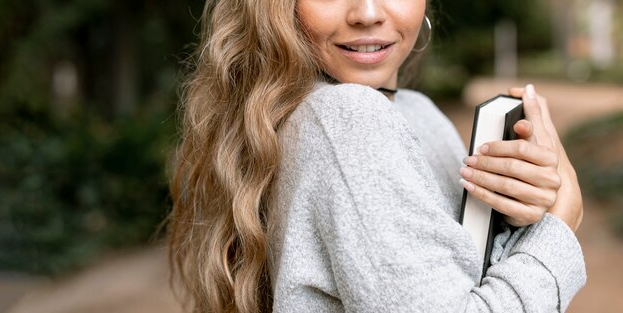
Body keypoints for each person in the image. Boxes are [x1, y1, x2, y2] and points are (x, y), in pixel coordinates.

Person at [167, 0, 586, 312]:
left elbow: (459, 280)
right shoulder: (346, 118)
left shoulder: (416, 111)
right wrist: (560, 224)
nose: (367, 12)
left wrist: (513, 217)